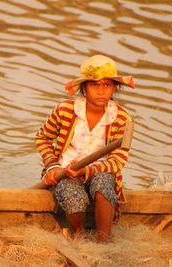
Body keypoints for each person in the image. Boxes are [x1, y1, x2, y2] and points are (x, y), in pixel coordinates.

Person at [35, 54, 135, 243]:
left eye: (107, 85)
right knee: (75, 199)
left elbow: (118, 161)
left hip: (101, 171)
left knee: (103, 186)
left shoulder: (122, 117)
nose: (101, 91)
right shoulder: (65, 110)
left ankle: (103, 242)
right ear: (84, 88)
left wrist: (87, 170)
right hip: (65, 171)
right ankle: (78, 235)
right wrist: (52, 167)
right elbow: (43, 137)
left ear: (114, 88)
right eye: (94, 85)